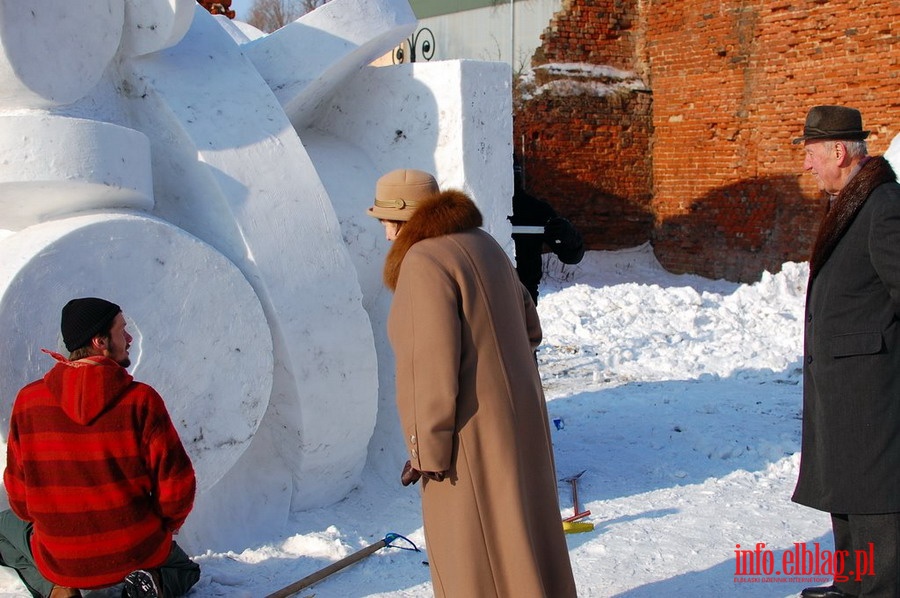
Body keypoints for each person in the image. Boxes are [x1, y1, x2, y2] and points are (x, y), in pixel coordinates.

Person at [367, 168, 577, 597]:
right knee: (525, 535)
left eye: (386, 222)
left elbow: (427, 368)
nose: (387, 236)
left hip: (470, 432)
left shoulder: (423, 262)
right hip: (521, 419)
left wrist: (427, 449)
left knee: (473, 552)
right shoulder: (486, 245)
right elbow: (530, 329)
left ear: (405, 217)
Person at [0, 298, 200, 598]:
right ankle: (151, 586)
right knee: (185, 569)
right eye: (123, 331)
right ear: (100, 341)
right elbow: (177, 487)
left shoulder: (29, 402)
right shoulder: (141, 401)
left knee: (4, 528)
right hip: (135, 551)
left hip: (61, 558)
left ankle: (57, 589)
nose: (130, 339)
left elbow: (19, 497)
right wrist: (165, 527)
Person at [791, 106, 900, 598]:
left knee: (876, 497)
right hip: (845, 385)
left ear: (838, 151)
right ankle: (851, 587)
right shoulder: (850, 202)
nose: (807, 165)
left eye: (812, 153)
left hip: (874, 389)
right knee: (847, 488)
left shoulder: (883, 205)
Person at [509, 160, 585, 304]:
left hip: (524, 297)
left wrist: (568, 236)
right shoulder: (477, 208)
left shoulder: (534, 210)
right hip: (484, 298)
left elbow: (572, 256)